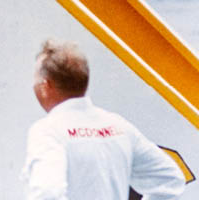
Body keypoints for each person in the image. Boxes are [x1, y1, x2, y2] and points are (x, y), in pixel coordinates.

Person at [23, 39, 186, 199]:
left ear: (45, 86)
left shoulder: (48, 131)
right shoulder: (119, 126)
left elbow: (47, 194)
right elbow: (170, 179)